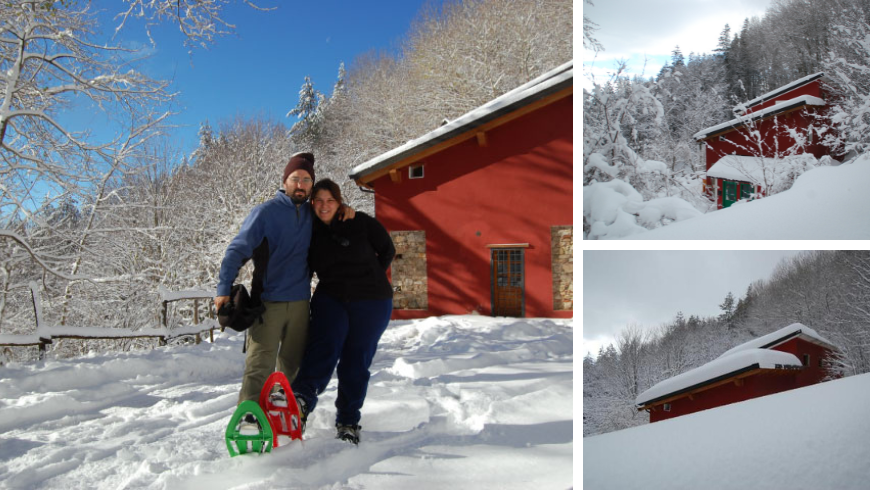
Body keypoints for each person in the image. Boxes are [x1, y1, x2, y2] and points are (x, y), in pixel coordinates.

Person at [214, 153, 352, 412]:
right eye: (295, 178)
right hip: (268, 303)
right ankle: (249, 416)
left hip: (300, 303)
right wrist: (223, 288)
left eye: (307, 180)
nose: (301, 185)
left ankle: (285, 415)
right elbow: (237, 250)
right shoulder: (265, 213)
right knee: (259, 364)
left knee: (294, 366)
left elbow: (332, 215)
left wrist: (343, 209)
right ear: (285, 180)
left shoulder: (313, 214)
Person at [291, 178, 395, 445]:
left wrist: (369, 276)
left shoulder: (359, 222)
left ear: (339, 202)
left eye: (330, 200)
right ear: (312, 203)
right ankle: (299, 404)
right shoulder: (309, 231)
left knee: (355, 361)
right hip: (331, 296)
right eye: (319, 200)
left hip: (371, 300)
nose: (324, 206)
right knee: (323, 346)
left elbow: (387, 249)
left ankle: (348, 421)